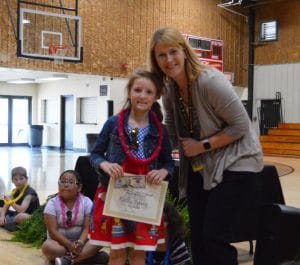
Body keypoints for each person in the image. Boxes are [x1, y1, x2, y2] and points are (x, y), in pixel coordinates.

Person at [148, 27, 264, 265]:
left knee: (213, 236)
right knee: (198, 238)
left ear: (184, 51)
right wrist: (157, 159)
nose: (169, 60)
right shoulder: (170, 90)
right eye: (162, 55)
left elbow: (241, 125)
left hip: (237, 163)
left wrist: (202, 146)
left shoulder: (210, 81)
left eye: (173, 52)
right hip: (203, 165)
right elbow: (171, 128)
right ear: (155, 59)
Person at [89, 69, 174, 265]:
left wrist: (162, 171)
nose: (142, 95)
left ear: (156, 96)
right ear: (129, 92)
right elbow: (94, 154)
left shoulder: (160, 130)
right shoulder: (112, 123)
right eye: (137, 90)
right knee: (117, 253)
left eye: (148, 92)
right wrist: (105, 164)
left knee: (140, 253)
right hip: (116, 192)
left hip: (146, 195)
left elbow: (169, 163)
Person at [42, 170, 107, 265]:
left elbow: (87, 227)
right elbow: (53, 232)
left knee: (99, 241)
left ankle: (68, 260)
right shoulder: (52, 203)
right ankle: (88, 258)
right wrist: (69, 245)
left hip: (81, 243)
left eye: (70, 182)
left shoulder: (86, 202)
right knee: (48, 247)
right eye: (63, 182)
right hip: (59, 244)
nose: (66, 185)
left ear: (79, 187)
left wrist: (80, 242)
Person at [0, 166, 40, 231]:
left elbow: (21, 210)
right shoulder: (15, 191)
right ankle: (8, 222)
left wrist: (11, 201)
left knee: (20, 216)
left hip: (30, 217)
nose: (18, 182)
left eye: (21, 179)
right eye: (15, 179)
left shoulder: (29, 193)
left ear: (26, 179)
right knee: (1, 210)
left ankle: (10, 223)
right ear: (12, 181)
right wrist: (2, 217)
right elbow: (6, 205)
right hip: (17, 215)